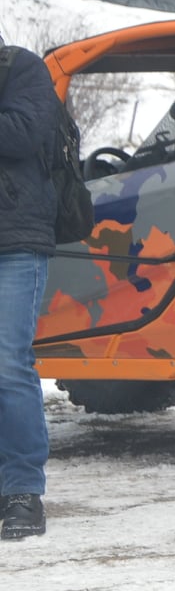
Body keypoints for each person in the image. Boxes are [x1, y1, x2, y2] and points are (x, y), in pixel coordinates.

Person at [0, 32, 59, 540]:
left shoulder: (21, 68)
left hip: (15, 240)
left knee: (8, 362)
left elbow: (22, 133)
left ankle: (21, 489)